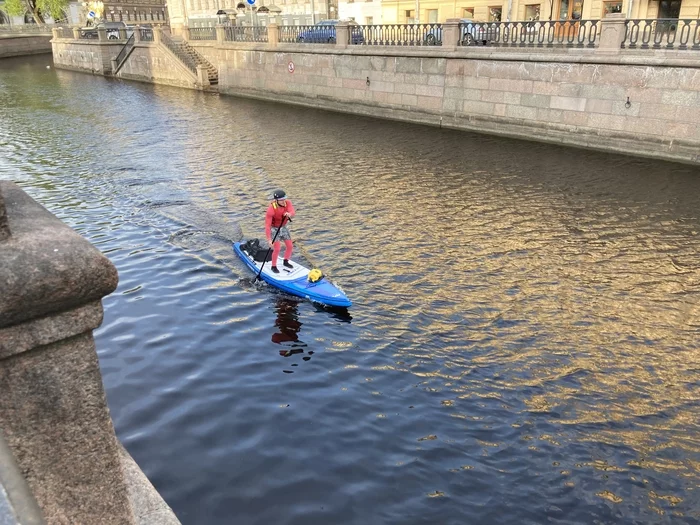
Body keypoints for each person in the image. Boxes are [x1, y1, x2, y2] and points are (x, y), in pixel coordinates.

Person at [265, 189, 295, 274]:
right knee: (277, 248)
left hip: (283, 226)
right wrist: (269, 240)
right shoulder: (271, 210)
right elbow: (267, 225)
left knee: (290, 246)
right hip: (274, 229)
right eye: (281, 200)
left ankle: (286, 261)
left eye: (284, 199)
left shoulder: (287, 203)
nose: (283, 201)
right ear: (276, 200)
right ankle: (273, 266)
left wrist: (290, 214)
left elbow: (292, 211)